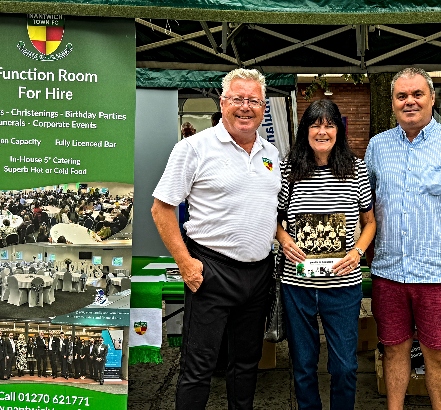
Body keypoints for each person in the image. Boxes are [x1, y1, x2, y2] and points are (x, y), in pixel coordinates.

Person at [152, 68, 281, 410]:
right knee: (199, 368)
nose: (245, 107)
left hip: (258, 275)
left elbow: (270, 209)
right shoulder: (193, 148)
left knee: (246, 366)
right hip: (211, 271)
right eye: (237, 99)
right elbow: (161, 209)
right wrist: (186, 264)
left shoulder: (271, 153)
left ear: (263, 107)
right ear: (222, 103)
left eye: (253, 100)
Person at [365, 67, 441, 410]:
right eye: (401, 96)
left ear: (432, 98)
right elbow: (365, 202)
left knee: (439, 356)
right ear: (392, 103)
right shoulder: (377, 146)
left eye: (417, 94)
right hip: (390, 272)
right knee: (393, 350)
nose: (410, 102)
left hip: (437, 273)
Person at [276, 99, 376, 410]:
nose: (322, 131)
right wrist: (283, 239)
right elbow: (273, 218)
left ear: (338, 131)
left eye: (329, 125)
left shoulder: (357, 170)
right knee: (303, 367)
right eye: (315, 124)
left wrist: (358, 251)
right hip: (298, 286)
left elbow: (369, 222)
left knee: (345, 367)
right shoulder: (287, 169)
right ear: (305, 130)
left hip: (342, 287)